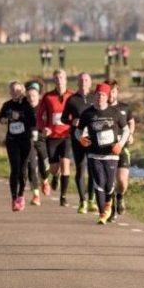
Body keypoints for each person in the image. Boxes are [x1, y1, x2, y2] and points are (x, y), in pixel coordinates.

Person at [75, 82, 130, 224]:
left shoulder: (115, 112)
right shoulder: (87, 113)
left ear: (107, 97)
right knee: (99, 181)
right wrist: (80, 139)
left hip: (111, 154)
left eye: (103, 95)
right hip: (94, 154)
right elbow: (77, 130)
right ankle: (102, 214)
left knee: (110, 185)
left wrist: (120, 144)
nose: (100, 97)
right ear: (94, 96)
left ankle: (108, 206)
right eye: (98, 94)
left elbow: (126, 130)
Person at [36, 69, 74, 206]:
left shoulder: (72, 96)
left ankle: (63, 196)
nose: (59, 80)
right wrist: (43, 128)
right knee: (53, 168)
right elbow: (40, 115)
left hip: (67, 135)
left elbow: (78, 113)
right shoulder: (47, 97)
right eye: (56, 78)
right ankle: (55, 176)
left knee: (65, 164)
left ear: (66, 80)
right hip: (52, 136)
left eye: (61, 78)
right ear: (54, 81)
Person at [0, 81, 37, 211]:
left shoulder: (27, 105)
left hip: (25, 140)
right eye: (13, 90)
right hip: (12, 140)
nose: (16, 92)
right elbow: (1, 118)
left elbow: (33, 121)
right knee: (14, 168)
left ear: (22, 91)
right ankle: (14, 198)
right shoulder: (7, 105)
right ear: (10, 92)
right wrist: (4, 119)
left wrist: (20, 116)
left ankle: (21, 194)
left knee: (23, 169)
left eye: (18, 90)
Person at [61, 73, 96, 213]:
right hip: (78, 138)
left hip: (93, 138)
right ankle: (82, 201)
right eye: (81, 80)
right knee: (81, 168)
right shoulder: (72, 99)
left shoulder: (95, 98)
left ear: (90, 82)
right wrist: (71, 121)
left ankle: (91, 200)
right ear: (78, 82)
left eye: (86, 80)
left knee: (93, 169)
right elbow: (63, 118)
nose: (83, 82)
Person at [108, 80, 134, 222]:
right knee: (110, 182)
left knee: (122, 181)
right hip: (107, 150)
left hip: (122, 148)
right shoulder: (101, 109)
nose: (111, 94)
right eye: (108, 92)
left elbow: (131, 122)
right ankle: (111, 211)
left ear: (117, 92)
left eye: (113, 91)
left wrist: (130, 134)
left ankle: (120, 197)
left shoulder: (124, 108)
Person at [24, 81, 50, 205]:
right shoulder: (23, 108)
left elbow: (51, 121)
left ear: (38, 96)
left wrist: (48, 129)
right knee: (32, 166)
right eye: (28, 96)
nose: (31, 98)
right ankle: (35, 195)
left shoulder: (43, 107)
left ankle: (45, 180)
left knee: (45, 165)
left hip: (41, 139)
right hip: (28, 140)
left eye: (33, 96)